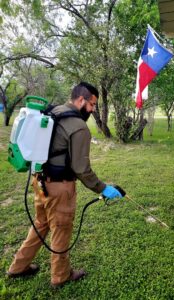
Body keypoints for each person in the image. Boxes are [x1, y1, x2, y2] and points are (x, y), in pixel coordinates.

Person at [7, 82, 122, 288]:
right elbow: (81, 169)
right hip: (60, 188)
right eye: (92, 104)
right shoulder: (79, 127)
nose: (93, 110)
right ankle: (60, 276)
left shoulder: (54, 111)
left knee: (41, 224)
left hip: (39, 181)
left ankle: (18, 267)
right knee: (61, 229)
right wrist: (102, 188)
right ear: (80, 100)